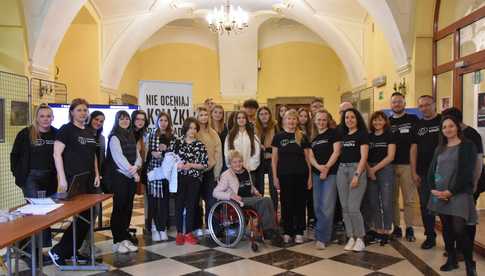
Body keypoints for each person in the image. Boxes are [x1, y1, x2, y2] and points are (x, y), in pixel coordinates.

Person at [48, 99, 100, 267]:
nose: (83, 113)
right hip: (74, 179)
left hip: (89, 179)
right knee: (82, 216)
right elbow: (57, 154)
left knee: (90, 215)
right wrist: (62, 178)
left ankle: (71, 250)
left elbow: (93, 156)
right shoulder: (66, 130)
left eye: (85, 110)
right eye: (79, 110)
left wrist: (97, 174)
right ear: (72, 112)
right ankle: (59, 250)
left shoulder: (89, 132)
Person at [427, 115, 478, 275]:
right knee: (447, 229)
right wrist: (433, 189)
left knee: (460, 230)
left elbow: (466, 172)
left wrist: (451, 191)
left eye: (451, 126)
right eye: (444, 127)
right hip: (440, 194)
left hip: (459, 193)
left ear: (457, 127)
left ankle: (470, 263)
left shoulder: (468, 146)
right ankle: (452, 259)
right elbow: (431, 171)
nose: (447, 129)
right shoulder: (439, 148)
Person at [10, 104, 58, 266]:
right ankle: (31, 253)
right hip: (31, 178)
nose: (45, 119)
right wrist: (18, 174)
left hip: (49, 178)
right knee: (36, 214)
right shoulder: (25, 134)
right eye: (42, 116)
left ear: (52, 118)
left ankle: (25, 247)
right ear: (37, 117)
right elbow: (14, 155)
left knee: (45, 214)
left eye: (48, 116)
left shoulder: (56, 133)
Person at [213, 150, 283, 246]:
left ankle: (271, 230)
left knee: (268, 200)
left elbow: (249, 186)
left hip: (249, 199)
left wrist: (256, 191)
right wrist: (230, 195)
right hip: (238, 201)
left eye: (239, 161)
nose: (238, 164)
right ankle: (268, 231)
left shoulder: (246, 171)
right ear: (230, 163)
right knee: (265, 200)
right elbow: (215, 193)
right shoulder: (226, 175)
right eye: (235, 162)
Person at [442, 107, 483, 263]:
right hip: (450, 185)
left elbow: (478, 162)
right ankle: (453, 249)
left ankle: (464, 251)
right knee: (451, 218)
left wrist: (474, 184)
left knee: (464, 220)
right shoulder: (449, 135)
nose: (447, 127)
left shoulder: (472, 135)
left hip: (468, 185)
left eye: (450, 124)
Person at [104, 111, 142, 254]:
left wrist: (136, 166)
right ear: (117, 120)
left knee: (128, 207)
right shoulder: (114, 136)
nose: (125, 121)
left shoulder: (131, 134)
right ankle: (117, 241)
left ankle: (125, 237)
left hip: (130, 177)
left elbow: (137, 155)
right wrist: (133, 172)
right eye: (121, 119)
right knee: (119, 208)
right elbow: (118, 158)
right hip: (119, 177)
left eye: (127, 118)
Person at [272, 109, 312, 244]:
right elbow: (274, 159)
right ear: (284, 120)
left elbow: (308, 159)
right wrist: (275, 177)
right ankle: (288, 231)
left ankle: (299, 231)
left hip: (301, 175)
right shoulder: (278, 137)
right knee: (286, 203)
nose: (291, 121)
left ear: (297, 121)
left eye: (294, 119)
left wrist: (310, 177)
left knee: (300, 203)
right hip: (284, 176)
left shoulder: (302, 136)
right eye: (289, 118)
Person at [168, 117, 208, 246]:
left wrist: (191, 165)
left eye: (195, 128)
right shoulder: (177, 142)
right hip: (179, 178)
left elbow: (204, 164)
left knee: (191, 206)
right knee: (179, 205)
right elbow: (169, 160)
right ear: (185, 128)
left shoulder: (200, 145)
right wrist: (177, 165)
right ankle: (180, 233)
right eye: (190, 128)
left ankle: (189, 233)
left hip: (194, 179)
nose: (192, 131)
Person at [410, 95, 441, 250]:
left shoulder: (443, 121)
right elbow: (414, 149)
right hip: (423, 172)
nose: (424, 108)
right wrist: (413, 171)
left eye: (427, 105)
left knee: (444, 206)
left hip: (442, 172)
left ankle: (451, 240)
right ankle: (430, 236)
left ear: (434, 105)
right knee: (425, 205)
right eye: (421, 106)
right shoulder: (418, 125)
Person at [308, 109, 341, 249]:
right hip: (317, 174)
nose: (321, 122)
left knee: (327, 206)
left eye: (324, 120)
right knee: (317, 206)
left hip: (331, 174)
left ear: (327, 121)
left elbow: (337, 151)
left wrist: (326, 167)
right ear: (315, 121)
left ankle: (322, 238)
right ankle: (321, 233)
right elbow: (310, 156)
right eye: (319, 120)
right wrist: (319, 167)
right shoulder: (313, 138)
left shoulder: (334, 134)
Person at [337, 108, 369, 252]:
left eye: (352, 117)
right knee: (344, 206)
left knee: (353, 207)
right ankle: (351, 236)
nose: (349, 120)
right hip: (341, 170)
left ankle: (361, 238)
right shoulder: (343, 135)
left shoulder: (362, 134)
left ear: (357, 119)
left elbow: (363, 157)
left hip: (356, 170)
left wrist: (357, 175)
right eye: (347, 118)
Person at [388, 92, 419, 241]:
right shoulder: (387, 122)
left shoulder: (413, 120)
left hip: (408, 165)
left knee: (409, 200)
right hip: (391, 166)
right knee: (393, 199)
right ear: (390, 105)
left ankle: (410, 228)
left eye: (399, 102)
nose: (397, 104)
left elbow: (416, 144)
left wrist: (414, 168)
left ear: (404, 104)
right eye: (394, 102)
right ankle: (397, 227)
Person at [366, 111, 396, 245]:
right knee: (373, 202)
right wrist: (369, 169)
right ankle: (378, 229)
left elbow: (390, 157)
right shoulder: (369, 136)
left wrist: (374, 169)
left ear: (385, 122)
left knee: (386, 202)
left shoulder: (390, 135)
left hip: (385, 169)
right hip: (370, 169)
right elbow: (364, 155)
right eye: (375, 120)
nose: (377, 123)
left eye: (380, 120)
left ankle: (387, 230)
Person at [79, 110, 106, 257]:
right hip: (84, 180)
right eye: (96, 119)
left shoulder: (101, 138)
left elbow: (102, 158)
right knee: (84, 213)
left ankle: (87, 244)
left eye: (101, 121)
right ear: (90, 119)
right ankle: (83, 245)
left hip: (97, 180)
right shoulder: (83, 135)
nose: (98, 123)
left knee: (94, 212)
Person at [194, 106, 223, 236]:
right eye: (201, 115)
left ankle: (212, 227)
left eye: (206, 115)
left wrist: (217, 173)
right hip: (196, 172)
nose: (204, 117)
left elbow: (218, 154)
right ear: (197, 116)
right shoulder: (193, 132)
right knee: (196, 201)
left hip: (210, 172)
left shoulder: (213, 133)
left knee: (211, 201)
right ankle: (197, 226)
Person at [146, 112, 174, 242]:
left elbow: (174, 154)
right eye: (161, 120)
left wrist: (165, 151)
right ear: (157, 121)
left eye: (166, 120)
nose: (163, 123)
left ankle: (162, 228)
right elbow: (146, 153)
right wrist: (153, 153)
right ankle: (154, 227)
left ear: (169, 123)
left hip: (166, 173)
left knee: (164, 202)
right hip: (153, 172)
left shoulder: (172, 137)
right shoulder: (151, 135)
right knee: (154, 202)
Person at [224, 111, 261, 185]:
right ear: (236, 120)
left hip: (249, 170)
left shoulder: (252, 135)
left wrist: (249, 167)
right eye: (239, 118)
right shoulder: (230, 136)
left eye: (243, 118)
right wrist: (233, 166)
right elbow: (227, 153)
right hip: (234, 171)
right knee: (235, 194)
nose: (241, 120)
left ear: (246, 120)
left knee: (249, 193)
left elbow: (257, 153)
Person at [255, 107, 278, 209]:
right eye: (261, 114)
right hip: (259, 160)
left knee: (273, 187)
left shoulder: (275, 127)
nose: (264, 116)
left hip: (272, 159)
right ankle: (260, 213)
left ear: (270, 115)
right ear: (258, 116)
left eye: (266, 113)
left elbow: (278, 145)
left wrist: (267, 150)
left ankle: (274, 212)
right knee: (260, 188)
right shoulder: (254, 127)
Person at [131, 110, 150, 235]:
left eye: (142, 119)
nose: (140, 122)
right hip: (128, 171)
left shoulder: (144, 135)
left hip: (141, 170)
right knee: (125, 204)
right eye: (137, 119)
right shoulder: (128, 134)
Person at [298, 107, 314, 228]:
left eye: (305, 116)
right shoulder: (295, 131)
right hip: (300, 165)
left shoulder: (312, 130)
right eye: (301, 116)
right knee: (302, 194)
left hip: (313, 164)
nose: (303, 118)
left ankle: (312, 218)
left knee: (311, 194)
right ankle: (301, 219)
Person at [210, 104, 229, 172]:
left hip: (223, 157)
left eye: (220, 113)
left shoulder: (225, 127)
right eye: (215, 112)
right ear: (211, 113)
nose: (218, 114)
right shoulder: (208, 127)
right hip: (212, 156)